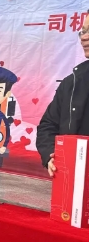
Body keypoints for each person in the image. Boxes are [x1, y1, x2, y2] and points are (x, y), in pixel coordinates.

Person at [38, 14, 89, 177]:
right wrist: (51, 155)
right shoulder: (72, 82)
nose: (84, 38)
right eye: (83, 31)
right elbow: (48, 125)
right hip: (73, 179)